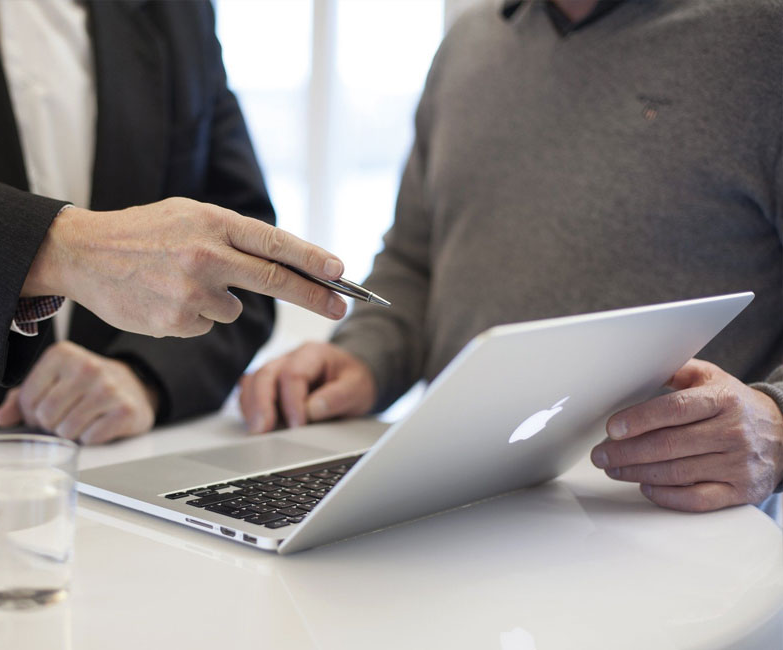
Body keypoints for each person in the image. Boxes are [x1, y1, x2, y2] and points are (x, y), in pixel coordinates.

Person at [239, 0, 783, 517]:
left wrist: (776, 421)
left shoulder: (763, 38)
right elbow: (414, 260)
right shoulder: (467, 46)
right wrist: (363, 359)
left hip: (677, 537)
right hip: (452, 507)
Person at [0, 0, 348, 452]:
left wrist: (143, 376)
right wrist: (61, 250)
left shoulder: (176, 10)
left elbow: (238, 247)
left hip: (114, 474)